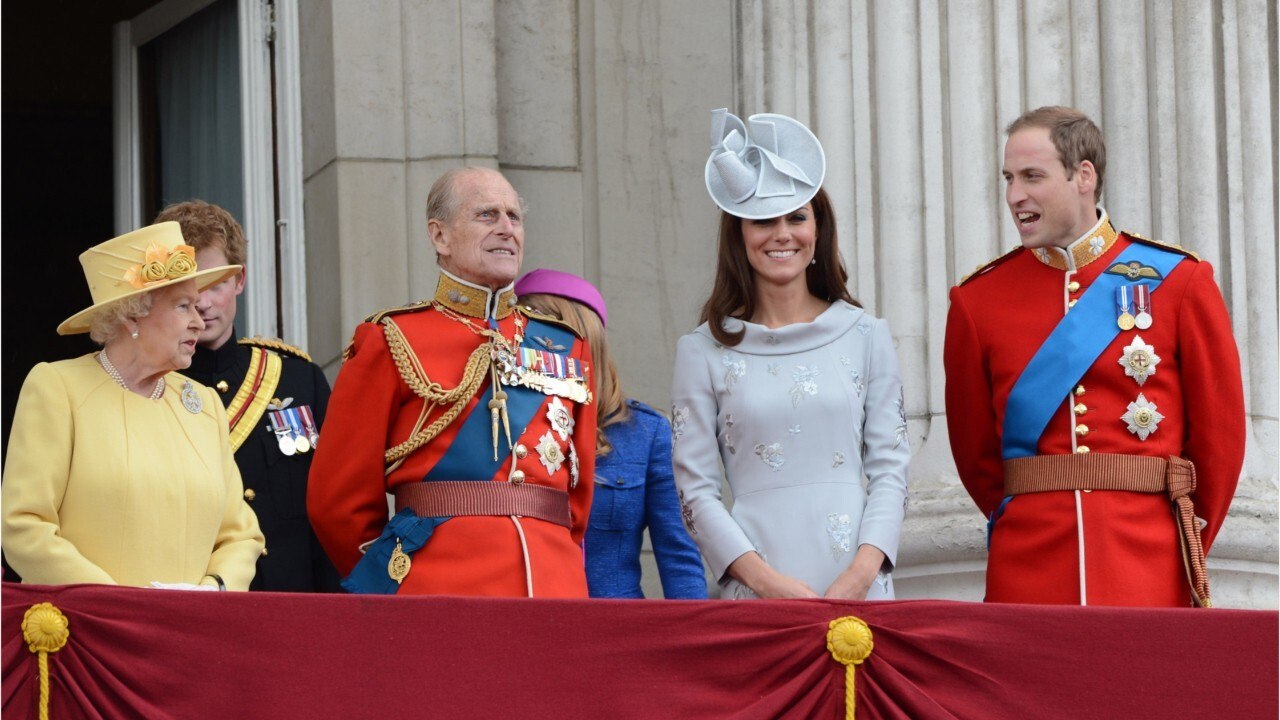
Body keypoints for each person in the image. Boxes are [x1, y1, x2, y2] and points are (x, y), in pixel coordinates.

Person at [943, 106, 1245, 607]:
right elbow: (977, 458)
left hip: (1147, 562)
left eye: (1032, 177)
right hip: (1029, 568)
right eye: (1009, 178)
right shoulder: (977, 301)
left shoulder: (1179, 282)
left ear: (1083, 176)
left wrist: (1184, 543)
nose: (1015, 195)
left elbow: (1220, 441)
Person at [307, 167, 597, 597]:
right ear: (440, 236)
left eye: (514, 217)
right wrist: (393, 582)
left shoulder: (565, 346)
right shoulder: (392, 339)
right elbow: (337, 503)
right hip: (438, 594)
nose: (506, 229)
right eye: (487, 215)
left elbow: (578, 499)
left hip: (554, 586)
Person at [672, 109, 911, 600]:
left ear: (817, 231)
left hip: (861, 588)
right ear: (739, 236)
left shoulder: (866, 335)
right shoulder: (701, 351)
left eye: (797, 217)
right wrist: (766, 584)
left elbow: (891, 468)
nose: (782, 233)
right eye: (762, 220)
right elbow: (695, 492)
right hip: (757, 592)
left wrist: (861, 575)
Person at [1, 222, 264, 590]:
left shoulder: (204, 406)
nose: (197, 320)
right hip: (92, 631)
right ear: (132, 315)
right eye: (183, 305)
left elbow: (240, 536)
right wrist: (116, 605)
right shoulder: (58, 388)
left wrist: (213, 590)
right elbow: (24, 526)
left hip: (191, 632)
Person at [154, 200, 341, 592]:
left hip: (292, 608)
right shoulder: (146, 385)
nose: (201, 303)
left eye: (214, 284)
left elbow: (333, 510)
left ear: (239, 280)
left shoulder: (295, 379)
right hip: (194, 605)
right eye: (185, 288)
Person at [516, 269, 707, 599]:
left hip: (617, 631)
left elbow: (678, 558)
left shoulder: (645, 432)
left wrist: (696, 642)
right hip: (530, 623)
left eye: (547, 333)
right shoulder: (501, 427)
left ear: (584, 340)